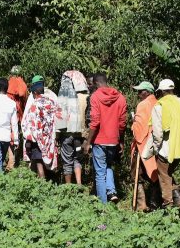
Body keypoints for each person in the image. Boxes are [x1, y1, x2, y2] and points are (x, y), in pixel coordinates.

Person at [150, 79, 180, 208]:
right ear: (173, 90)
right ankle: (178, 198)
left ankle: (168, 204)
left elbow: (158, 134)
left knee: (164, 176)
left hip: (165, 149)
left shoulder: (159, 106)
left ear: (160, 92)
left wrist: (154, 149)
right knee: (169, 174)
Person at [82, 73, 127, 205]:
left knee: (100, 173)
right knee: (108, 165)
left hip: (99, 140)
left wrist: (88, 142)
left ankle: (103, 206)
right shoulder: (120, 97)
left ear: (95, 83)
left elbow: (94, 122)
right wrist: (121, 141)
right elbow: (122, 123)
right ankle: (112, 191)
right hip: (113, 140)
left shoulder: (95, 97)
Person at [56, 70, 90, 184]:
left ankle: (69, 187)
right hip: (80, 136)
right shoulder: (87, 97)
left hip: (66, 135)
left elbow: (60, 118)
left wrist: (57, 136)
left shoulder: (65, 96)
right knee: (77, 159)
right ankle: (79, 184)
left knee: (67, 161)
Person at [130, 81, 160, 211]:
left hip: (143, 145)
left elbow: (139, 128)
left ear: (147, 92)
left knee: (137, 174)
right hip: (157, 144)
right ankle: (154, 203)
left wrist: (133, 125)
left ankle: (141, 205)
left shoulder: (143, 104)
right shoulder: (158, 103)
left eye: (140, 91)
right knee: (155, 173)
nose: (138, 94)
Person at [22, 81, 61, 178]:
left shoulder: (34, 105)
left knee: (39, 163)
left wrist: (29, 139)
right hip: (50, 138)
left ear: (34, 93)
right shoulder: (52, 103)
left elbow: (29, 124)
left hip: (38, 139)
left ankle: (42, 184)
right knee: (48, 163)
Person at [7, 67, 29, 169]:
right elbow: (23, 96)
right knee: (15, 136)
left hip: (7, 112)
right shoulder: (21, 83)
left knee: (10, 135)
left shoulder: (9, 83)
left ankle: (11, 161)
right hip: (18, 113)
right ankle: (13, 161)